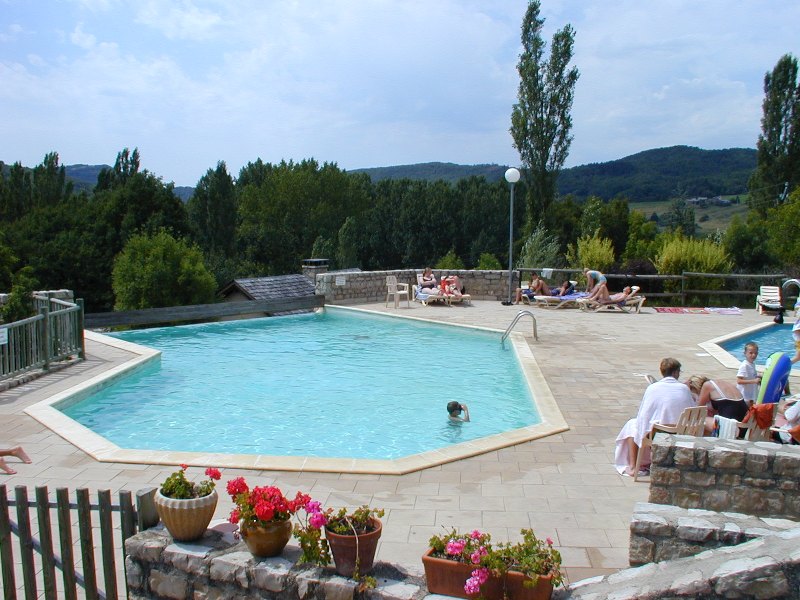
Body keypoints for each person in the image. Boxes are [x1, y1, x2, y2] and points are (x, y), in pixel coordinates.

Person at [615, 358, 695, 476]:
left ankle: (633, 466)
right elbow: (691, 411)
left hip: (656, 433)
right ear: (675, 372)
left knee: (632, 425)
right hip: (680, 433)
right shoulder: (684, 389)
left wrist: (644, 431)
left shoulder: (652, 388)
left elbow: (644, 414)